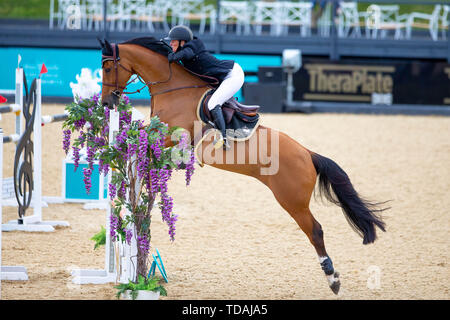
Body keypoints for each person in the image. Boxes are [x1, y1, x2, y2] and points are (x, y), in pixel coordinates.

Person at [164, 25, 245, 150]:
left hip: (233, 75)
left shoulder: (192, 47)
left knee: (213, 103)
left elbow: (185, 54)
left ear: (182, 42)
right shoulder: (185, 48)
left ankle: (223, 139)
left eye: (173, 41)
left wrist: (171, 56)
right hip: (224, 76)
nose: (171, 43)